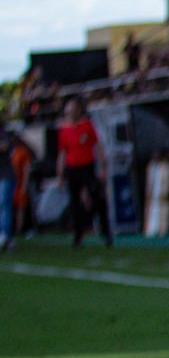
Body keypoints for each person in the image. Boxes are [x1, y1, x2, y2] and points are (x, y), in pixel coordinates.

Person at [55, 97, 112, 248]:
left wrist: (103, 166)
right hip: (72, 169)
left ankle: (106, 233)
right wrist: (60, 174)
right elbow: (62, 153)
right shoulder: (65, 130)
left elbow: (98, 146)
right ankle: (78, 236)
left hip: (87, 166)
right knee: (75, 204)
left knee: (97, 198)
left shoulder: (87, 126)